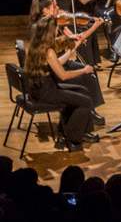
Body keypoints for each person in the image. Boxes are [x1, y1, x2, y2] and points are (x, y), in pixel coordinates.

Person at [28, 0, 107, 125]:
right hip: (53, 70)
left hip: (58, 62)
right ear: (46, 11)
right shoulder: (43, 28)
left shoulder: (49, 24)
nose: (58, 8)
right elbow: (58, 67)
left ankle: (90, 110)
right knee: (87, 76)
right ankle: (88, 111)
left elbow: (72, 41)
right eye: (54, 6)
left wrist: (92, 28)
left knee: (89, 73)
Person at [24, 16, 99, 152]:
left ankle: (69, 135)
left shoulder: (37, 46)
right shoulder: (49, 51)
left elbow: (56, 64)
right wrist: (83, 70)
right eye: (56, 28)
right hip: (47, 92)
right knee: (86, 101)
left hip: (40, 89)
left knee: (82, 91)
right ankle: (72, 139)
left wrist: (71, 50)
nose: (58, 31)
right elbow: (63, 76)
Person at [44, 0, 109, 66]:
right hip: (57, 20)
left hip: (68, 17)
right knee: (82, 29)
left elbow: (83, 0)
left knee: (90, 26)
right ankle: (86, 63)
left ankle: (93, 62)